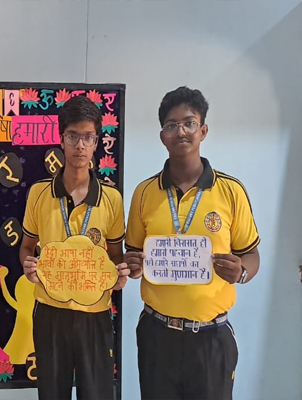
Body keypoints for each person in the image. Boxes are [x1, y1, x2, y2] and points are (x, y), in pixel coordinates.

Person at [124, 86, 260, 400]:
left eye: (189, 123)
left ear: (203, 130)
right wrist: (132, 266)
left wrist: (241, 272)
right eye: (172, 125)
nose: (181, 131)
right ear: (162, 136)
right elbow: (133, 252)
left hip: (211, 337)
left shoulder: (230, 191)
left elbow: (251, 254)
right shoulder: (144, 193)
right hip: (157, 334)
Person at [20, 95, 130, 400]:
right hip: (50, 312)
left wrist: (119, 275)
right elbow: (26, 247)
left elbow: (115, 256)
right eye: (72, 136)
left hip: (95, 314)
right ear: (61, 139)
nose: (80, 146)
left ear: (97, 142)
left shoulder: (112, 199)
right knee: (52, 393)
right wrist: (28, 265)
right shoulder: (39, 193)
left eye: (87, 137)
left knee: (97, 393)